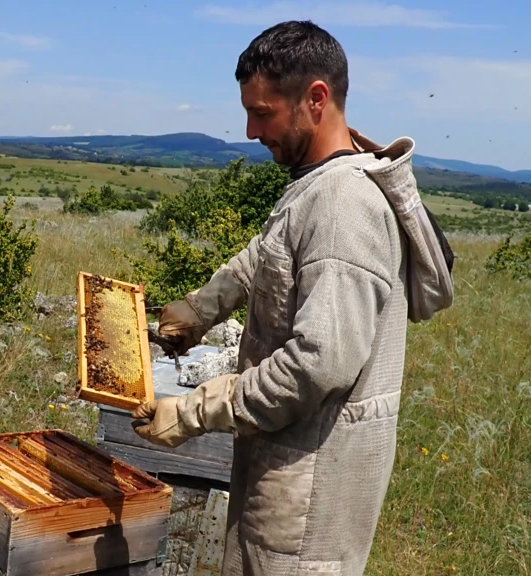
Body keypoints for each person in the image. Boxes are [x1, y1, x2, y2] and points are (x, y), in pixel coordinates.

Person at [131, 20, 454, 576]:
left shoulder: (343, 206)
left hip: (307, 505)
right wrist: (204, 304)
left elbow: (315, 365)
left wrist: (192, 411)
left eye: (263, 112)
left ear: (316, 99)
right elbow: (272, 251)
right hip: (285, 480)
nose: (251, 131)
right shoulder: (319, 182)